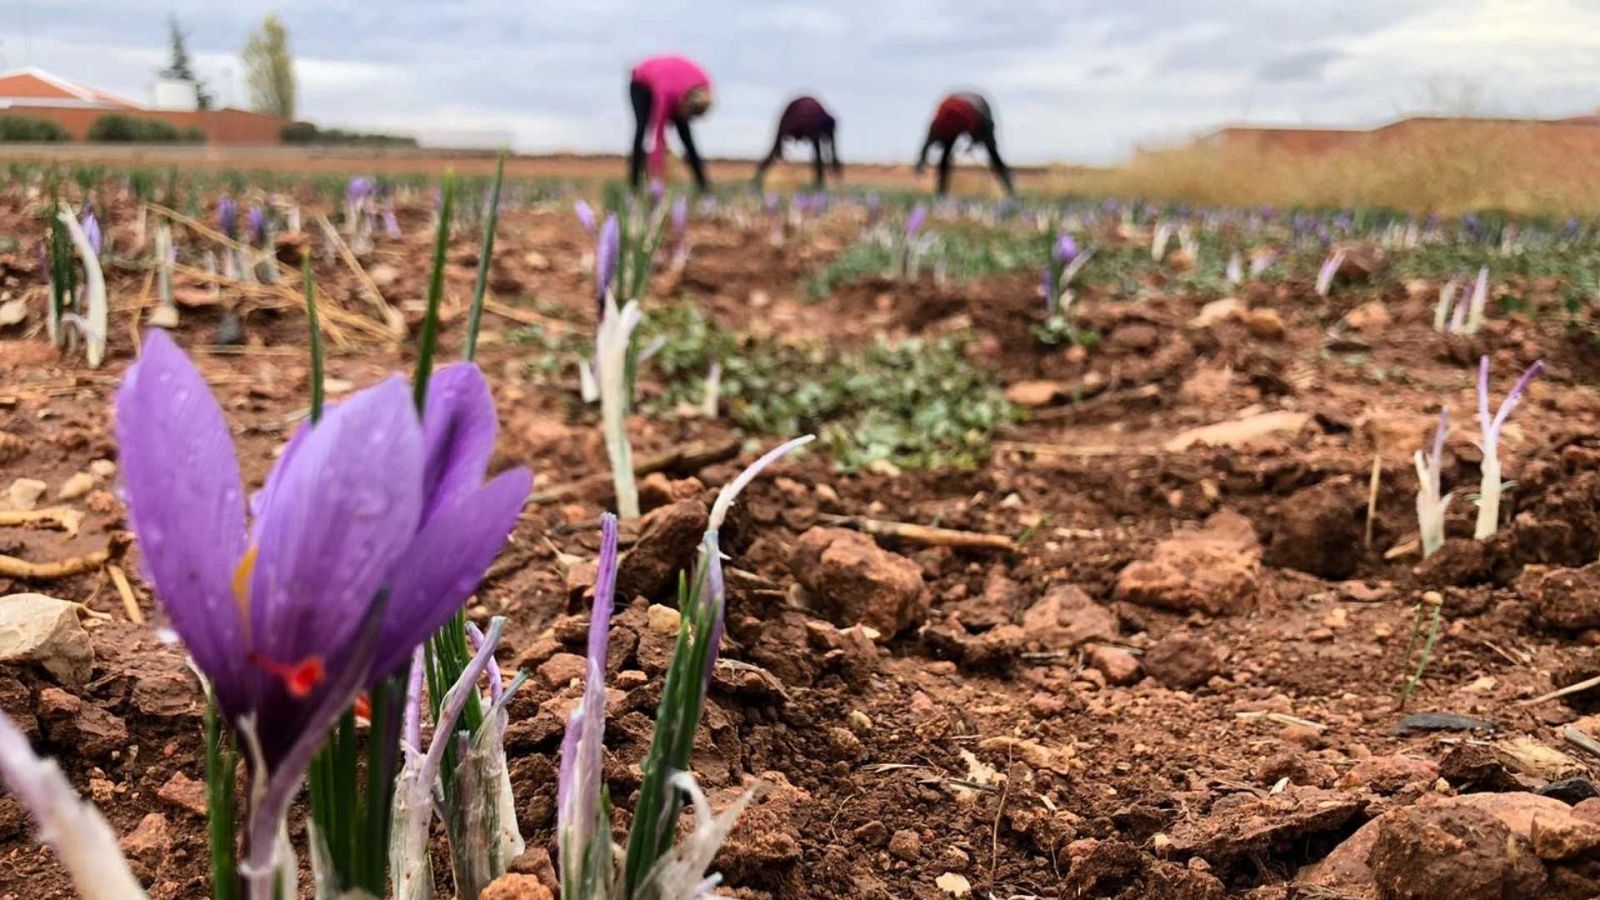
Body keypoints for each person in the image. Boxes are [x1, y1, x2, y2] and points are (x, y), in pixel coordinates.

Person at [629, 55, 714, 191]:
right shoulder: (666, 94)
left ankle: (705, 189)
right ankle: (634, 186)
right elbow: (658, 135)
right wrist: (657, 172)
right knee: (641, 129)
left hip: (674, 87)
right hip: (641, 84)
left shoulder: (705, 86)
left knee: (687, 138)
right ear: (684, 105)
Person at [914, 92, 1013, 196]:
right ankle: (941, 194)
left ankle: (1010, 190)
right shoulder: (941, 124)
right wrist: (921, 161)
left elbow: (926, 145)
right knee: (946, 155)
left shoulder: (979, 118)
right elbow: (926, 145)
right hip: (963, 112)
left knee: (992, 153)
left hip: (979, 111)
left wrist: (973, 143)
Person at [753, 95, 842, 189]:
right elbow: (827, 151)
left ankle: (819, 183)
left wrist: (835, 165)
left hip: (803, 116)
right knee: (776, 150)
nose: (826, 139)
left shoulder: (825, 120)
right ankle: (758, 177)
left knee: (817, 151)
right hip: (792, 118)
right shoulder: (812, 120)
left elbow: (832, 149)